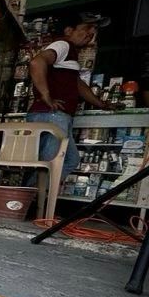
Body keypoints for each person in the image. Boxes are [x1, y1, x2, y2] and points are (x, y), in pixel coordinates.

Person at [28, 12, 122, 181]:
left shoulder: (71, 54)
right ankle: (28, 201)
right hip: (52, 115)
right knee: (47, 163)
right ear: (69, 30)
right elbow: (37, 62)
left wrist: (101, 104)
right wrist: (46, 96)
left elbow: (78, 85)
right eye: (86, 28)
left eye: (93, 30)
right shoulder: (63, 45)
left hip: (59, 116)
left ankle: (42, 197)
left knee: (71, 160)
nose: (90, 33)